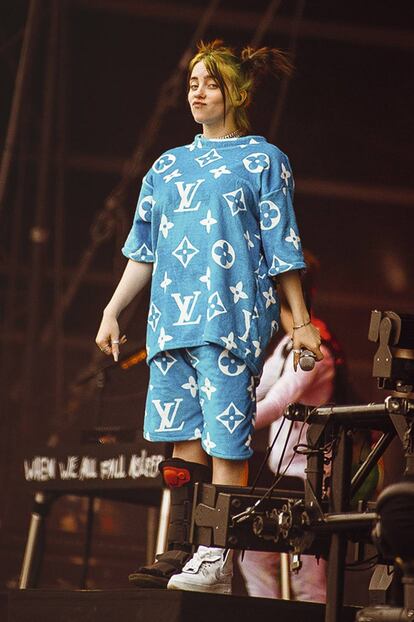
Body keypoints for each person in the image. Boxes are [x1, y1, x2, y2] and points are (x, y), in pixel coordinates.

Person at [95, 39, 323, 595]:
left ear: (237, 91)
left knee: (225, 437)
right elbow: (142, 249)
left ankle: (217, 552)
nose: (198, 91)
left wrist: (299, 320)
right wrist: (113, 309)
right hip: (171, 321)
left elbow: (282, 247)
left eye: (210, 82)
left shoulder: (263, 159)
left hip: (231, 318)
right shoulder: (167, 166)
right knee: (183, 437)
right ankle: (181, 547)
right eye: (193, 83)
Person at [238, 252, 338, 602]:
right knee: (251, 557)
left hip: (309, 480)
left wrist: (225, 423)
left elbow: (277, 403)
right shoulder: (283, 346)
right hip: (280, 475)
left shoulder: (315, 349)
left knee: (308, 581)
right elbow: (256, 389)